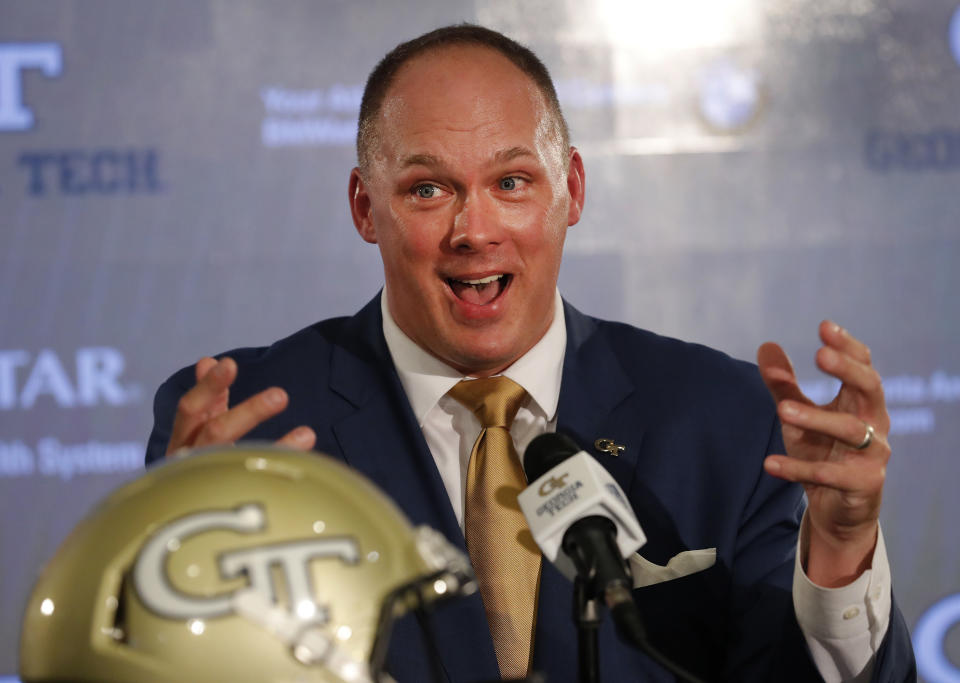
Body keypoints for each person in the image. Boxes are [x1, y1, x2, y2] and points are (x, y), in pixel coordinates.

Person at [146, 24, 915, 682]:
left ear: (570, 191)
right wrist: (173, 591)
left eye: (511, 181)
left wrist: (843, 553)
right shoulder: (244, 429)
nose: (474, 229)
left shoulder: (724, 420)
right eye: (427, 190)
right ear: (364, 208)